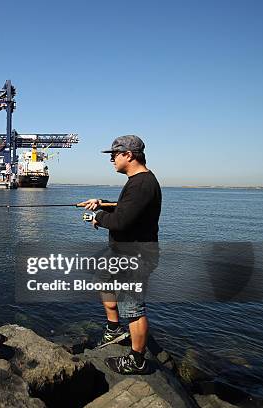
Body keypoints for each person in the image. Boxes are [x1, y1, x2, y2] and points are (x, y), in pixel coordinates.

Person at [79, 135, 161, 375]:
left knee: (133, 307)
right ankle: (114, 328)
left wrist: (98, 217)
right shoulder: (138, 181)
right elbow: (126, 207)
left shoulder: (142, 184)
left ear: (129, 155)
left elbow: (122, 221)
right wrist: (101, 203)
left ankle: (137, 360)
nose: (112, 159)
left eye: (114, 155)